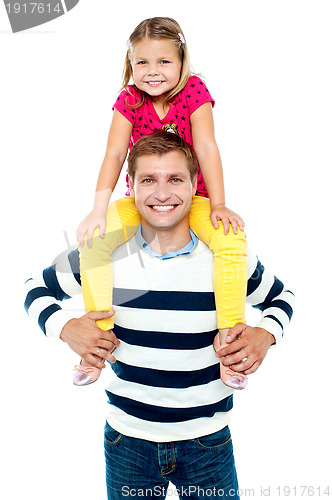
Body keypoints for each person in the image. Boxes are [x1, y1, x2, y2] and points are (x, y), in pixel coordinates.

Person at [24, 132, 294, 499]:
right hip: (127, 442)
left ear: (195, 185)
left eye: (175, 179)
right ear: (130, 187)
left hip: (208, 444)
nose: (162, 194)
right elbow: (32, 288)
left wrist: (266, 336)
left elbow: (283, 298)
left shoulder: (228, 260)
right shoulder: (105, 257)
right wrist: (66, 328)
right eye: (149, 180)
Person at [75, 17, 248, 388]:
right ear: (130, 64)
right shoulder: (128, 98)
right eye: (143, 63)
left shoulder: (194, 92)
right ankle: (97, 344)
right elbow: (114, 153)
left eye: (164, 62)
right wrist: (98, 208)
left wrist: (218, 204)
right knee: (93, 240)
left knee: (230, 240)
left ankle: (231, 348)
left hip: (190, 201)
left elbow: (206, 147)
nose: (153, 72)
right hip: (141, 202)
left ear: (182, 61)